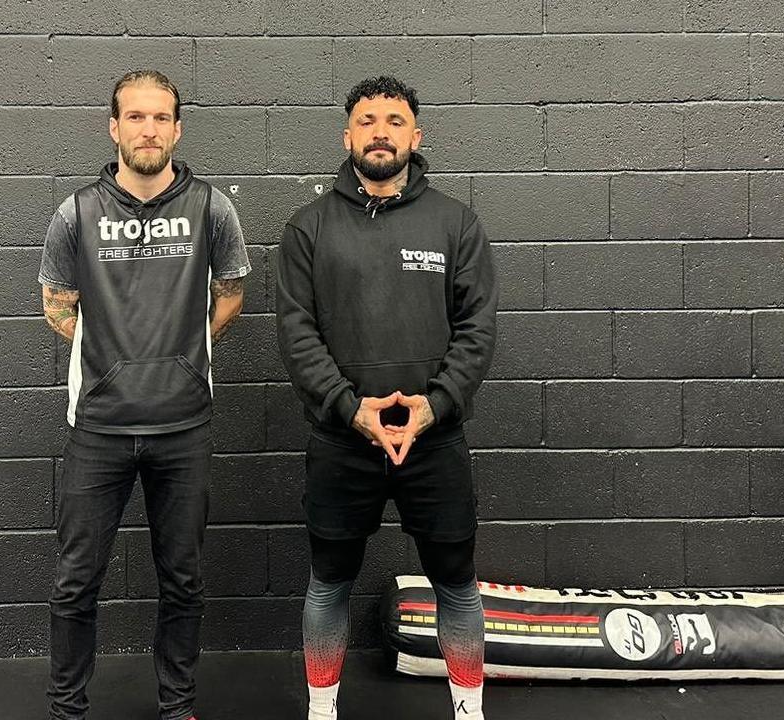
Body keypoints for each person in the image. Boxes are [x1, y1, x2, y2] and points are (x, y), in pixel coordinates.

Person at [275, 76, 498, 720]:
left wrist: (435, 404)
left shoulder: (455, 222)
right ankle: (322, 709)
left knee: (456, 581)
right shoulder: (309, 228)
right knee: (330, 582)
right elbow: (297, 333)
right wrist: (351, 409)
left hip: (435, 438)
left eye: (394, 120)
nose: (380, 132)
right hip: (343, 439)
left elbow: (477, 326)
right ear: (347, 136)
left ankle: (468, 709)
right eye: (367, 121)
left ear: (416, 135)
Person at [38, 69, 251, 720]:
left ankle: (177, 706)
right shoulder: (76, 212)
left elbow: (232, 294)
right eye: (136, 117)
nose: (149, 129)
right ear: (114, 127)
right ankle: (67, 708)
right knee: (76, 582)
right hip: (99, 425)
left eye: (160, 118)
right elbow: (56, 306)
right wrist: (114, 364)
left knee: (182, 580)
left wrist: (181, 355)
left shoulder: (212, 208)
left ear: (177, 128)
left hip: (183, 425)